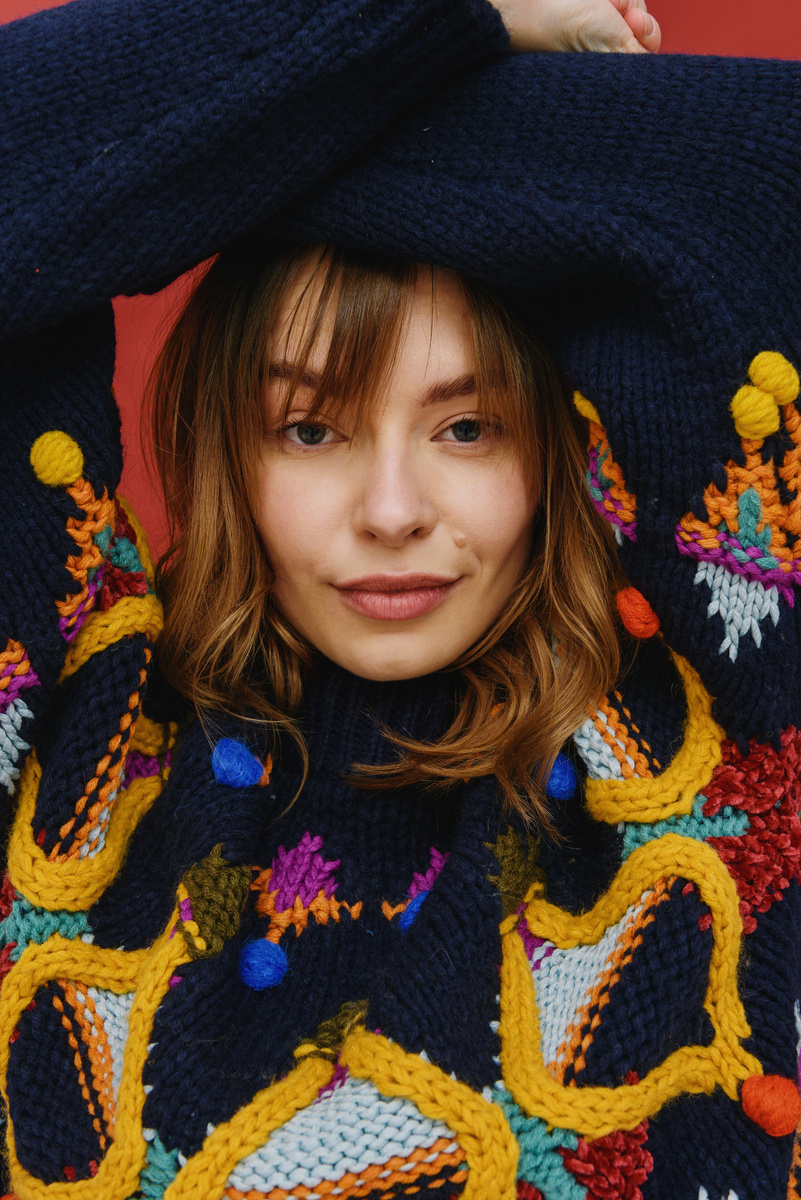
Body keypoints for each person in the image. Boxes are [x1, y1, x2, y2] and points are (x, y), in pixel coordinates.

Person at [1, 1, 801, 1199]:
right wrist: (440, 12)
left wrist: (296, 128)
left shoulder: (714, 738)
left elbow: (757, 177)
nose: (390, 510)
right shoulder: (83, 743)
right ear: (230, 447)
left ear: (561, 445)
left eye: (467, 428)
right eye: (310, 427)